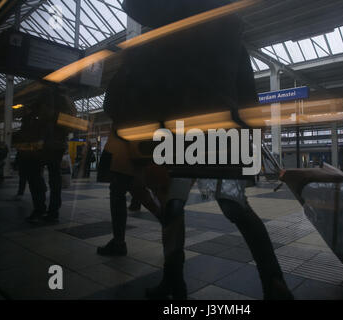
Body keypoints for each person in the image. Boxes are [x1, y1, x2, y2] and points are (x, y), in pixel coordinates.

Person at [97, 0, 293, 300]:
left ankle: (174, 281)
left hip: (173, 136)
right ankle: (274, 282)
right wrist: (253, 139)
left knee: (173, 208)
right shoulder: (230, 40)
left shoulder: (154, 43)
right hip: (224, 132)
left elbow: (130, 100)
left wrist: (147, 152)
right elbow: (249, 98)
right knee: (237, 208)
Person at [18, 83, 76, 223]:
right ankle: (52, 211)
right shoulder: (66, 98)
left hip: (44, 142)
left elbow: (42, 116)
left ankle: (41, 208)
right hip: (57, 143)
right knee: (53, 176)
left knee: (35, 175)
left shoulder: (50, 95)